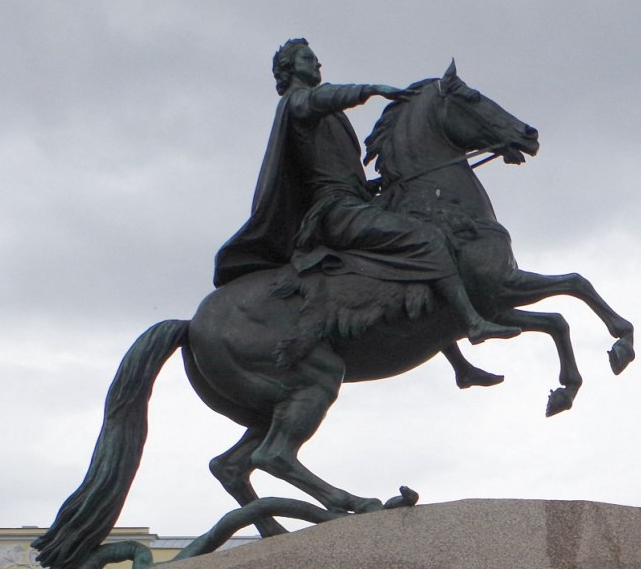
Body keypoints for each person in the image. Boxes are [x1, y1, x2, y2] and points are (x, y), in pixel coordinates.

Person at [214, 38, 518, 345]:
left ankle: (454, 357)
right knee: (427, 238)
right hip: (337, 212)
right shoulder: (297, 102)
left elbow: (335, 168)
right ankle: (473, 322)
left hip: (351, 202)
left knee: (419, 235)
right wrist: (372, 89)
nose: (317, 63)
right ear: (289, 69)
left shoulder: (321, 111)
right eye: (308, 58)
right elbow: (322, 101)